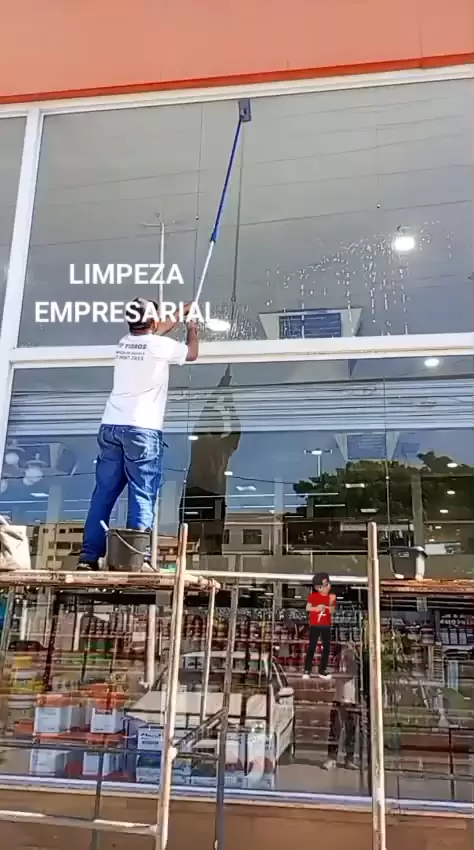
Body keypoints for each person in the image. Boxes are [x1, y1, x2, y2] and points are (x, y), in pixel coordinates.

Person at [77, 297, 199, 571]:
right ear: (153, 321)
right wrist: (192, 327)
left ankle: (88, 557)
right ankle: (136, 559)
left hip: (110, 426)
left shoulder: (124, 343)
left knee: (103, 494)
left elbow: (157, 330)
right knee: (142, 493)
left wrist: (180, 311)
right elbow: (191, 354)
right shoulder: (158, 346)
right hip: (142, 430)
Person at [180, 366, 241, 556]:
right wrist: (229, 400)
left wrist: (221, 389)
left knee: (187, 542)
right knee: (213, 544)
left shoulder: (201, 440)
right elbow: (236, 426)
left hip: (195, 492)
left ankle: (185, 566)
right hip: (214, 494)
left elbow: (206, 412)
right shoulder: (226, 445)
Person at [323, 641, 359, 770]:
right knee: (335, 730)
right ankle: (332, 758)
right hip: (339, 697)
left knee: (350, 730)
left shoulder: (354, 657)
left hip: (351, 698)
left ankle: (348, 759)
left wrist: (332, 675)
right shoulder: (338, 656)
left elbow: (350, 674)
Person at [303, 572, 336, 680]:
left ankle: (322, 669)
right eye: (324, 585)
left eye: (327, 584)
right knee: (312, 647)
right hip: (315, 625)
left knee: (326, 648)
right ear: (317, 587)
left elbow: (332, 611)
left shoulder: (331, 596)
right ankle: (307, 669)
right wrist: (317, 608)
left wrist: (331, 603)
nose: (327, 587)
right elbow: (308, 608)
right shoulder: (314, 596)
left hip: (326, 625)